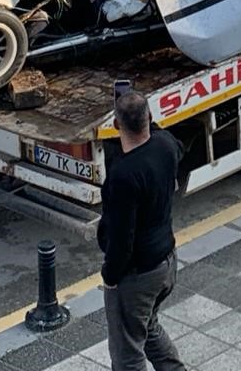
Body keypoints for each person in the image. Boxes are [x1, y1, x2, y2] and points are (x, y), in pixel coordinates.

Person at [99, 92, 187, 371]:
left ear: (115, 124)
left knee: (127, 355)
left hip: (138, 275)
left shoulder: (124, 174)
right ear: (150, 117)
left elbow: (122, 237)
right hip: (166, 263)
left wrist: (110, 276)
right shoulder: (166, 145)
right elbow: (164, 137)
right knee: (148, 328)